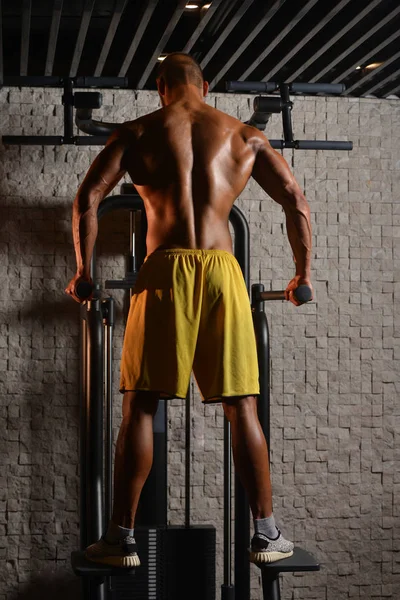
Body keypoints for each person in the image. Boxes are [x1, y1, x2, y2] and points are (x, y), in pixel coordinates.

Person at [65, 53, 313, 568]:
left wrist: (84, 271)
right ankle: (266, 535)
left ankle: (120, 538)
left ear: (160, 88)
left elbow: (89, 197)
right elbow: (295, 199)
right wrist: (301, 275)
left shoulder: (136, 132)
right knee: (242, 404)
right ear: (207, 85)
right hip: (224, 270)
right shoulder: (245, 136)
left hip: (163, 270)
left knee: (141, 405)